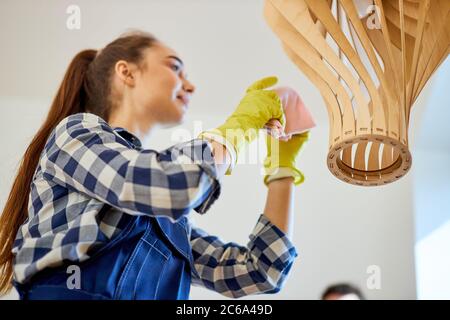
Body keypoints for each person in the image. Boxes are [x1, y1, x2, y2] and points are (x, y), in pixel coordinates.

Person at [0, 31, 309, 300]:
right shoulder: (76, 134)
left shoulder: (166, 220)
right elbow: (174, 185)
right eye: (175, 67)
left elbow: (261, 272)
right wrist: (239, 127)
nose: (191, 86)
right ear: (127, 73)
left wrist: (281, 168)